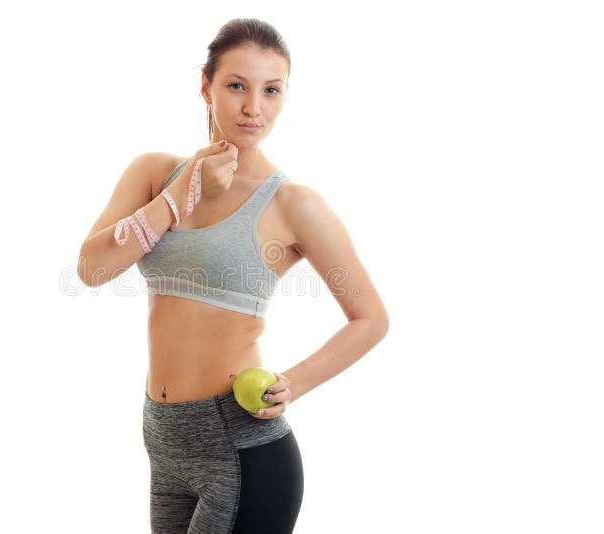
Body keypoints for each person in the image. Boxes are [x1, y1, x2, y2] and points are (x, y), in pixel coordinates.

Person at [78, 17, 390, 534]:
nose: (253, 108)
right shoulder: (155, 173)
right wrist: (178, 198)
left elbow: (371, 318)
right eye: (237, 86)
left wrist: (294, 384)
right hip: (163, 441)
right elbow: (92, 267)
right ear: (206, 86)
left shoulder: (294, 204)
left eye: (271, 91)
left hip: (240, 445)